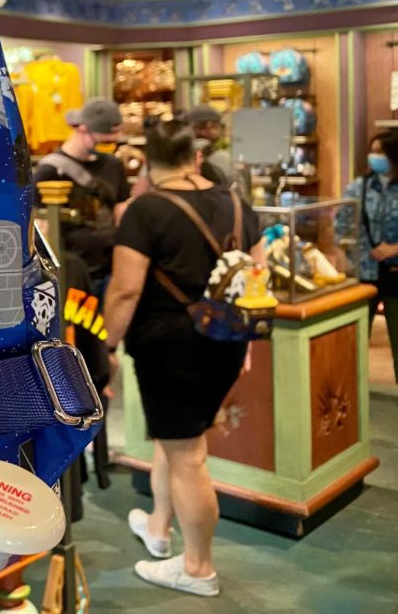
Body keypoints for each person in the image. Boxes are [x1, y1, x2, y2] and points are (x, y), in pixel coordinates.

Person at [103, 118, 264, 598]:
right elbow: (257, 274)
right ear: (195, 156)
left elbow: (126, 289)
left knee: (187, 456)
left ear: (147, 162)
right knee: (177, 441)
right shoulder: (236, 201)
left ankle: (198, 568)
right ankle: (158, 526)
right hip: (226, 340)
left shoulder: (145, 210)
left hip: (169, 347)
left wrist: (108, 345)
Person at [34, 98, 130, 292]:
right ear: (83, 129)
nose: (110, 147)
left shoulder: (113, 165)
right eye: (105, 141)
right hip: (72, 272)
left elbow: (121, 210)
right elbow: (40, 226)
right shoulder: (50, 170)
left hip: (109, 268)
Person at [339, 131, 398, 382]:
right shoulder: (358, 187)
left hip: (395, 274)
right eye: (372, 151)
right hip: (365, 274)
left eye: (380, 152)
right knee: (355, 338)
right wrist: (356, 254)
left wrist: (394, 249)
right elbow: (343, 225)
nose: (374, 157)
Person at [185, 104, 233, 186]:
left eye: (213, 126)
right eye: (199, 127)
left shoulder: (178, 155)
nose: (205, 132)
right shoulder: (222, 158)